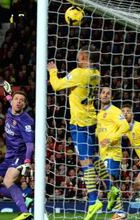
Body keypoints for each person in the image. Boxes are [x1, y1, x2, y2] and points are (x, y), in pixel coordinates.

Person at [48, 45, 107, 220]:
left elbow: (57, 86)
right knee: (94, 158)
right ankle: (111, 186)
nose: (76, 58)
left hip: (79, 123)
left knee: (85, 162)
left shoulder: (79, 73)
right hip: (91, 121)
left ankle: (93, 200)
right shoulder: (97, 74)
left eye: (78, 56)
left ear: (82, 57)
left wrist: (53, 71)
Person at [0, 85, 34, 220]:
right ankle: (24, 197)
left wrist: (27, 161)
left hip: (20, 155)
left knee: (8, 181)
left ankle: (25, 212)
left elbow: (30, 143)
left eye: (22, 100)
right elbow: (9, 99)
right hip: (9, 157)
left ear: (24, 104)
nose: (18, 101)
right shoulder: (10, 109)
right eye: (16, 99)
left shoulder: (26, 121)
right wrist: (8, 92)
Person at [96, 87, 129, 219]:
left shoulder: (115, 111)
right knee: (107, 182)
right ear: (99, 95)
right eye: (103, 92)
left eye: (108, 93)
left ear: (112, 97)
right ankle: (119, 212)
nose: (105, 95)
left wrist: (110, 139)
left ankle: (120, 212)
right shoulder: (99, 113)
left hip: (113, 152)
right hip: (103, 153)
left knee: (109, 179)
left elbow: (125, 126)